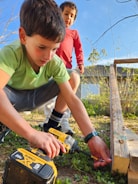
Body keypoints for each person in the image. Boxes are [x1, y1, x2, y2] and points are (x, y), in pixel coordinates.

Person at [0, 0, 111, 168]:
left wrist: (92, 136)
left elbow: (72, 100)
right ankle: (5, 121)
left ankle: (51, 123)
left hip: (36, 96)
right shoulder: (12, 53)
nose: (48, 56)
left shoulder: (54, 62)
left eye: (54, 49)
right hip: (10, 97)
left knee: (72, 76)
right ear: (23, 36)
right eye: (42, 47)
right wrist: (31, 134)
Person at [43, 1, 84, 136]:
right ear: (59, 14)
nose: (69, 18)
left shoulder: (74, 33)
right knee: (50, 99)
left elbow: (78, 49)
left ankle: (64, 124)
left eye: (72, 16)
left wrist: (81, 63)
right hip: (50, 68)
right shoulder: (54, 29)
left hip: (66, 69)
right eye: (66, 14)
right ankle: (49, 122)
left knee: (67, 96)